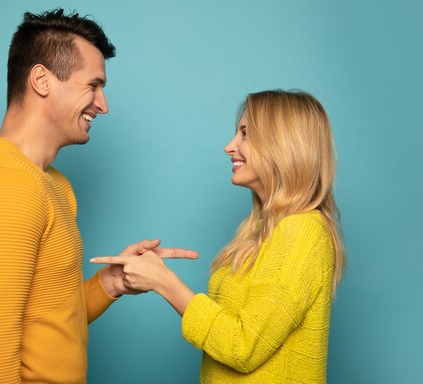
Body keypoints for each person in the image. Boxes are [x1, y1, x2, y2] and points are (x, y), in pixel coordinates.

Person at [0, 9, 197, 383]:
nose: (103, 104)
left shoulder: (51, 184)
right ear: (42, 80)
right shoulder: (4, 187)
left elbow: (50, 315)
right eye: (93, 85)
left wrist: (111, 283)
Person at [92, 90, 346, 383]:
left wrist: (164, 282)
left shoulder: (303, 231)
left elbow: (242, 347)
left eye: (245, 134)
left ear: (283, 144)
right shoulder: (263, 230)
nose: (229, 147)